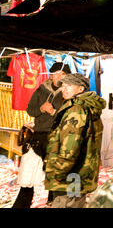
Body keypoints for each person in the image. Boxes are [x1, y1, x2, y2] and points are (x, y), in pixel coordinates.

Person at [12, 62, 71, 208]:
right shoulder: (42, 89)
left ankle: (53, 202)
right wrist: (41, 109)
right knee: (28, 170)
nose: (56, 77)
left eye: (60, 74)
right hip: (38, 135)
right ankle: (22, 204)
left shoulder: (69, 92)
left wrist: (52, 112)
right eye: (54, 73)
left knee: (55, 172)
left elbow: (71, 116)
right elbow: (30, 110)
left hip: (58, 135)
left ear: (66, 76)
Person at [44, 73, 106, 208]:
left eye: (69, 86)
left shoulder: (76, 109)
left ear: (80, 89)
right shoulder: (87, 106)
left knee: (66, 204)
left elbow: (71, 145)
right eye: (63, 86)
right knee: (75, 203)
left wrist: (59, 171)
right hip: (78, 172)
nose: (64, 89)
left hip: (70, 174)